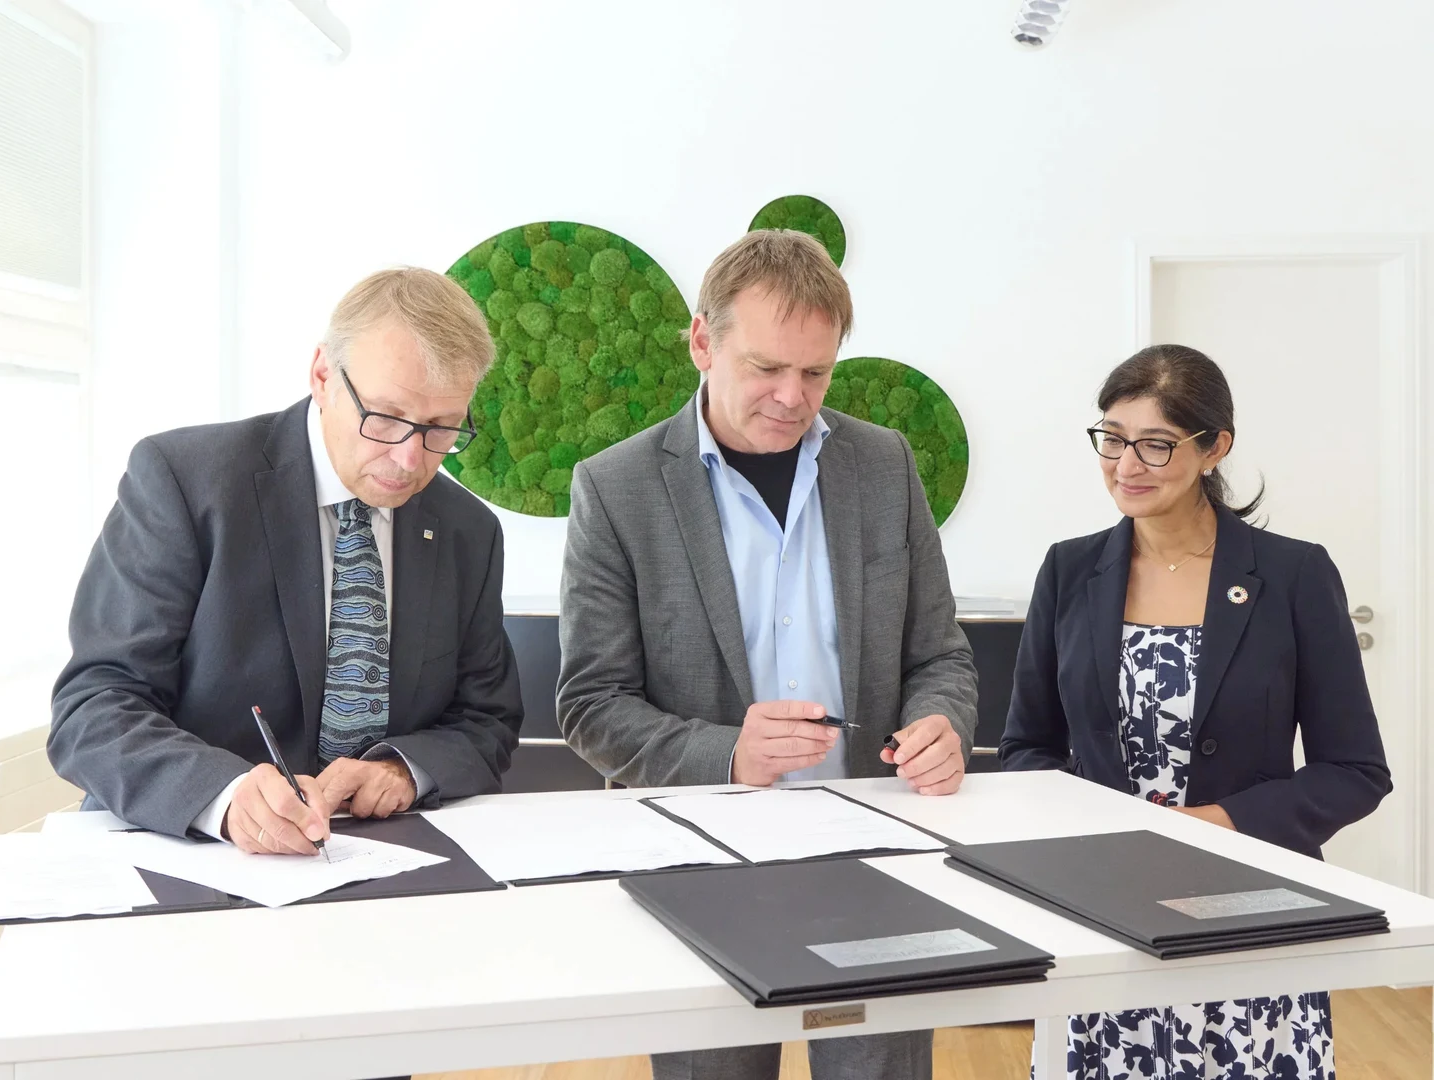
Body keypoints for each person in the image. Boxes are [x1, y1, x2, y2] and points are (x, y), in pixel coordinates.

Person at [557, 228, 978, 1080]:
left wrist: (942, 721)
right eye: (766, 368)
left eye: (816, 373)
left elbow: (940, 655)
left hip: (874, 855)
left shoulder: (886, 465)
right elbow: (592, 703)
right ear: (703, 343)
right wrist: (728, 753)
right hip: (703, 858)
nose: (794, 397)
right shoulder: (616, 487)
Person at [1000, 344, 1391, 1080]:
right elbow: (1027, 748)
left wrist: (1206, 829)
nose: (1126, 465)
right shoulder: (1068, 569)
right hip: (1104, 909)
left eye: (1155, 444)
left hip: (1253, 917)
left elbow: (1355, 771)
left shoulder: (1294, 574)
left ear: (1216, 448)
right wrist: (1098, 837)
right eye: (1112, 439)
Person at [50, 268, 523, 855]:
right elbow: (95, 705)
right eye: (385, 417)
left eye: (442, 428)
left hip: (377, 865)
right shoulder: (185, 481)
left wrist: (405, 769)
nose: (409, 459)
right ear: (323, 375)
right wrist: (223, 797)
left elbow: (488, 721)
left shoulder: (467, 531)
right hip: (190, 854)